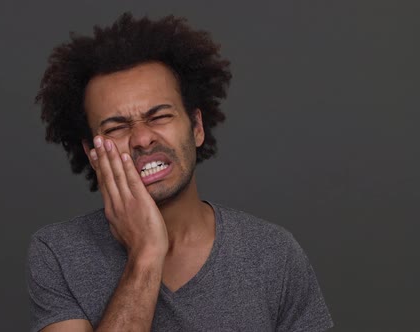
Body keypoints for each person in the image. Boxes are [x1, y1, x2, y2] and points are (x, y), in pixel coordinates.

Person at [27, 12, 333, 332]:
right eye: (117, 127)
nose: (143, 138)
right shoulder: (57, 252)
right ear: (92, 154)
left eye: (159, 116)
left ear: (197, 127)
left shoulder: (273, 253)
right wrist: (145, 255)